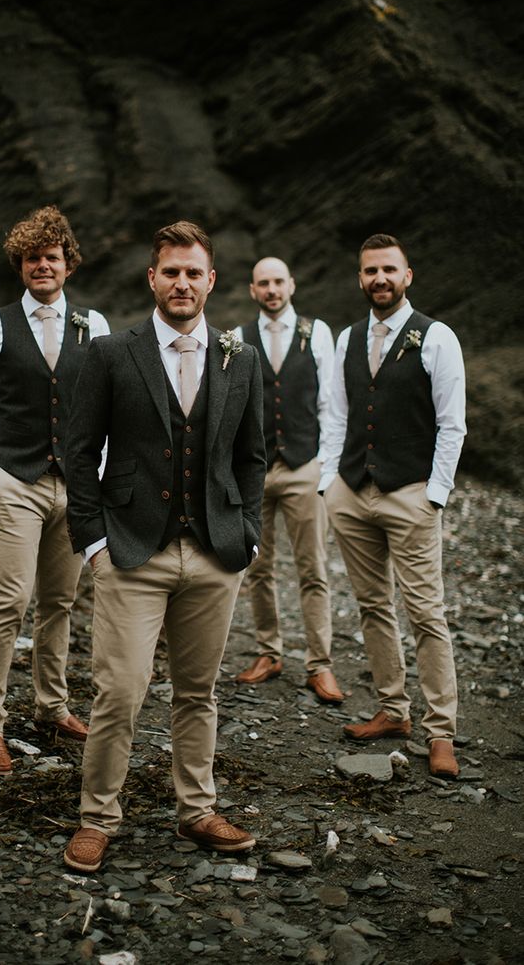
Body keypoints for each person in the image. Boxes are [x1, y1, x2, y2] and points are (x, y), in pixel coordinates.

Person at [63, 220, 266, 872]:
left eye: (193, 272)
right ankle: (97, 817)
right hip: (128, 549)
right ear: (152, 278)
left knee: (198, 690)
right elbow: (77, 452)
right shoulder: (110, 353)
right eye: (170, 271)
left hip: (214, 552)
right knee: (119, 690)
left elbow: (254, 457)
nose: (182, 282)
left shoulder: (241, 359)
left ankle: (197, 808)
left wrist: (250, 535)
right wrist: (93, 540)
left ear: (211, 281)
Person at [0, 205, 110, 776]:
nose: (41, 266)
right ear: (19, 265)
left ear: (68, 264)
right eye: (31, 258)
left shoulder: (93, 327)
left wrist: (97, 478)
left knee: (60, 603)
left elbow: (106, 412)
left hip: (74, 489)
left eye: (52, 257)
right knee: (10, 600)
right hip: (16, 481)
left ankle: (53, 706)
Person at [319, 233, 466, 778]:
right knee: (373, 606)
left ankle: (441, 731)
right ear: (360, 279)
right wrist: (330, 482)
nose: (379, 278)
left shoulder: (437, 337)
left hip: (410, 493)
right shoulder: (348, 338)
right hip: (353, 492)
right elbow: (336, 413)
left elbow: (453, 424)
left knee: (426, 613)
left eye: (389, 269)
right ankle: (393, 709)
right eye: (369, 271)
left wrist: (435, 495)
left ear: (408, 275)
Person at [233, 257, 344, 703]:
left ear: (292, 285)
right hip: (257, 471)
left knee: (312, 567)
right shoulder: (239, 338)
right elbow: (236, 408)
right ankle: (268, 651)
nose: (272, 290)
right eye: (264, 283)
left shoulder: (316, 333)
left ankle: (320, 664)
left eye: (279, 282)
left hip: (303, 466)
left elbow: (330, 405)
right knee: (258, 566)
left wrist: (324, 466)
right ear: (253, 290)